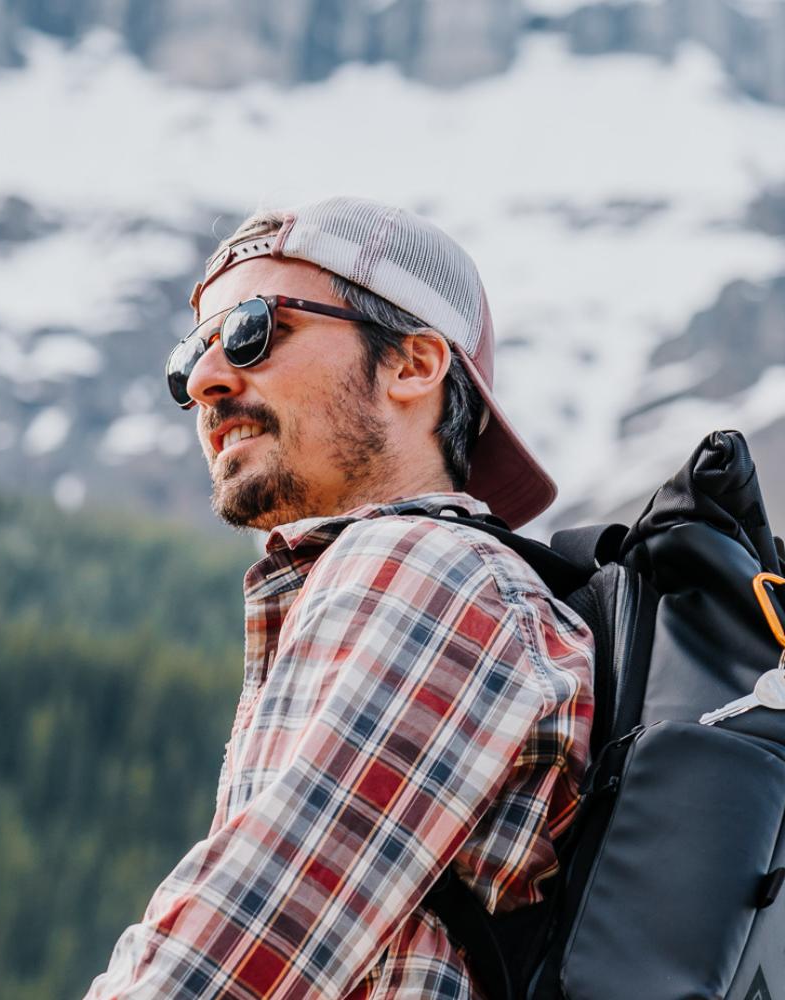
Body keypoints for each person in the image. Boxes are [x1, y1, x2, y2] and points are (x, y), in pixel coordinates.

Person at [84, 196, 594, 999]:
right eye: (191, 358)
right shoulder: (411, 577)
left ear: (414, 365)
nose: (208, 382)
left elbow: (254, 937)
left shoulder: (425, 567)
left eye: (255, 330)